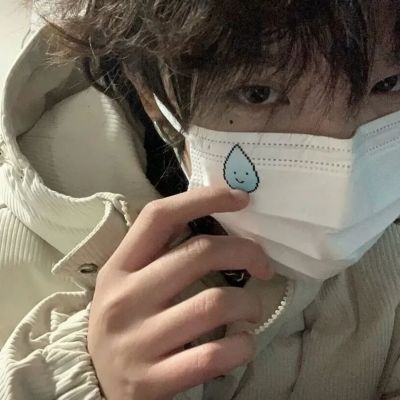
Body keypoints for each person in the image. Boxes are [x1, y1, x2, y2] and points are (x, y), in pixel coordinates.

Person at [1, 0, 400, 399]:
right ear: (150, 91)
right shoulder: (13, 260)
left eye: (388, 84)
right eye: (258, 93)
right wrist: (80, 384)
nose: (344, 163)